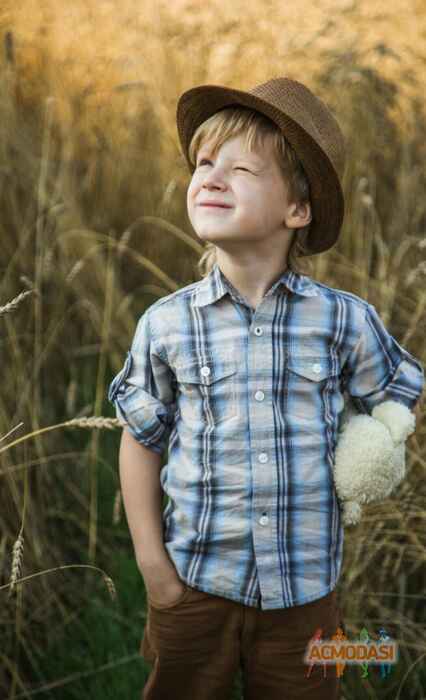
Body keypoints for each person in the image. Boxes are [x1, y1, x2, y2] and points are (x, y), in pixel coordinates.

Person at [108, 77, 424, 700]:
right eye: (203, 163)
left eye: (241, 168)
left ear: (296, 210)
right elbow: (140, 439)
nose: (211, 177)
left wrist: (373, 447)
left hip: (305, 595)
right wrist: (154, 571)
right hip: (195, 583)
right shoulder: (167, 324)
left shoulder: (342, 320)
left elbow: (398, 392)